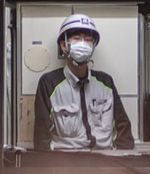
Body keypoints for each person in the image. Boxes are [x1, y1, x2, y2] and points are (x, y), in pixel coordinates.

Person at [34, 14, 134, 151]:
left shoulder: (106, 83)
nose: (83, 44)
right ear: (64, 45)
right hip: (65, 164)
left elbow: (124, 131)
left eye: (88, 40)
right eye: (77, 39)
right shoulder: (49, 84)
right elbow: (42, 138)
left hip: (105, 163)